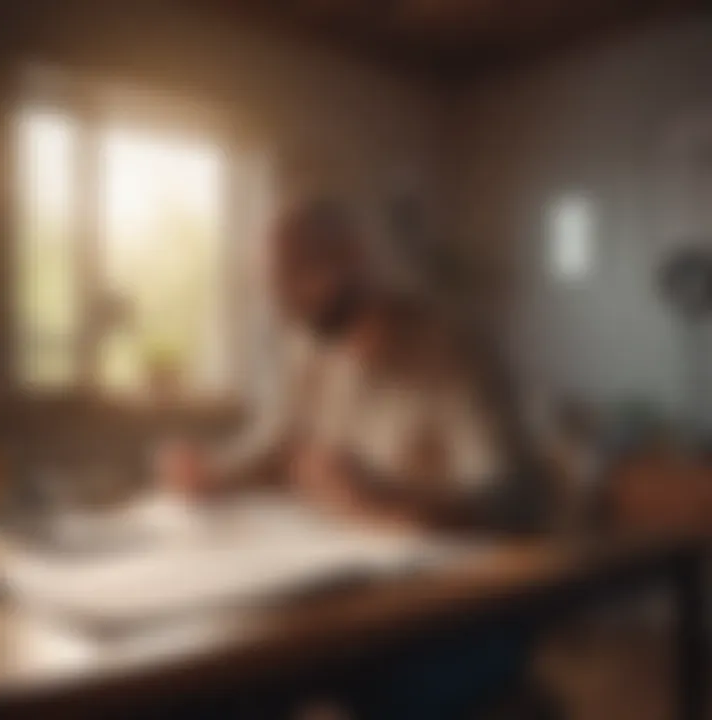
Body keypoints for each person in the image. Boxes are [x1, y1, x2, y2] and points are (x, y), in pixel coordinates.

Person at [157, 197, 555, 718]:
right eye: (273, 284)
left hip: (447, 615)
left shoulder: (452, 344)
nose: (283, 303)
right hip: (340, 604)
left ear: (352, 258)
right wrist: (214, 474)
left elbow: (518, 500)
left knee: (268, 677)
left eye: (296, 278)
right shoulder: (308, 346)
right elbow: (271, 445)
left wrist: (389, 496)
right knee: (208, 680)